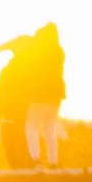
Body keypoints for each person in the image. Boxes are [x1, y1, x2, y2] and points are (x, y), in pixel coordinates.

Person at [25, 22, 66, 168]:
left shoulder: (40, 50)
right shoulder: (59, 50)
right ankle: (53, 161)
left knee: (31, 126)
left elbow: (33, 71)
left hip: (41, 93)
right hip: (56, 93)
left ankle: (35, 159)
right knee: (50, 127)